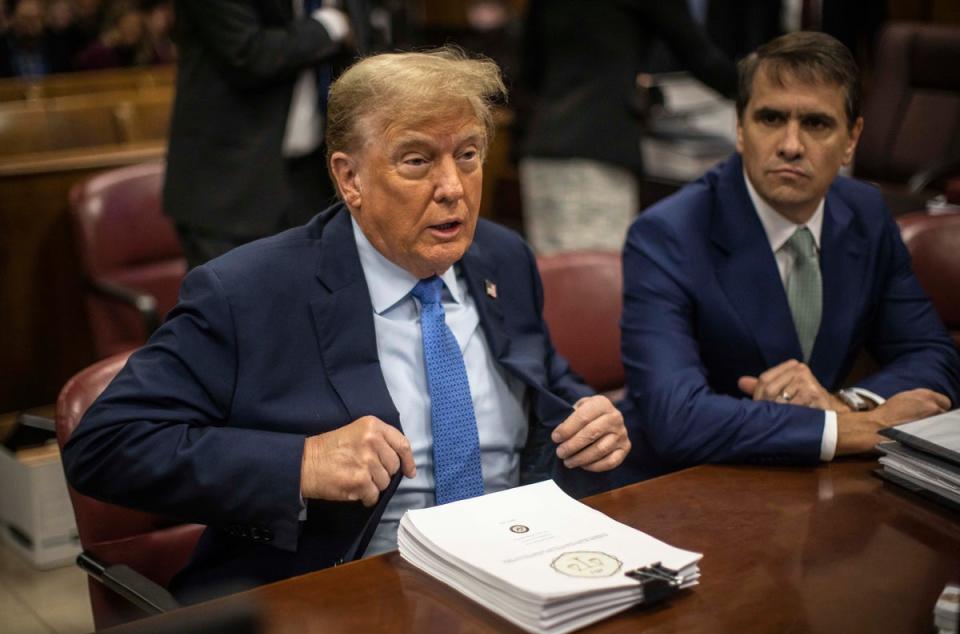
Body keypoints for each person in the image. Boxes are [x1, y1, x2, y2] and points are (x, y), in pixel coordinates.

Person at [62, 47, 630, 603]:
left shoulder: (502, 258)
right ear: (349, 177)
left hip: (519, 563)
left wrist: (585, 415)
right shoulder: (249, 292)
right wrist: (299, 464)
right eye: (417, 160)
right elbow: (105, 445)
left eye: (469, 154)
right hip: (350, 583)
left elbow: (542, 377)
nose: (453, 187)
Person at [616, 31, 960, 483]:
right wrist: (847, 429)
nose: (791, 145)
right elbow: (676, 417)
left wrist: (848, 403)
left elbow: (934, 357)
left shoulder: (866, 213)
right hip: (689, 485)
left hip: (815, 485)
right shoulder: (668, 234)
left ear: (852, 138)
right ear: (740, 129)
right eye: (771, 119)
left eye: (816, 124)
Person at [162, 0, 372, 269]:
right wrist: (329, 26)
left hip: (314, 177)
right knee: (236, 304)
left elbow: (365, 46)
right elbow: (250, 54)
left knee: (319, 299)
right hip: (230, 186)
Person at [517, 0, 738, 255]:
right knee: (595, 280)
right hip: (599, 151)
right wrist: (765, 88)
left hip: (542, 147)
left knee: (550, 277)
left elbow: (530, 71)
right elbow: (702, 58)